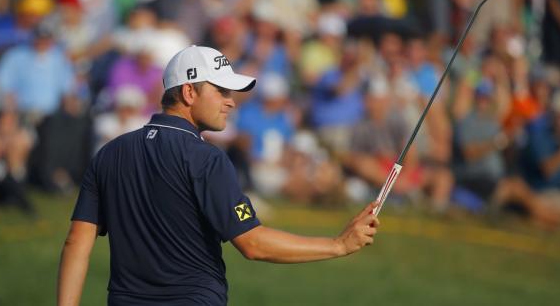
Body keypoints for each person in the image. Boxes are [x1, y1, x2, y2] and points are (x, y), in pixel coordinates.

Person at [57, 45, 380, 306]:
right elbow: (253, 243)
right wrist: (338, 245)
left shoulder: (110, 153)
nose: (231, 103)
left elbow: (76, 242)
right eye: (222, 91)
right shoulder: (206, 158)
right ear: (188, 93)